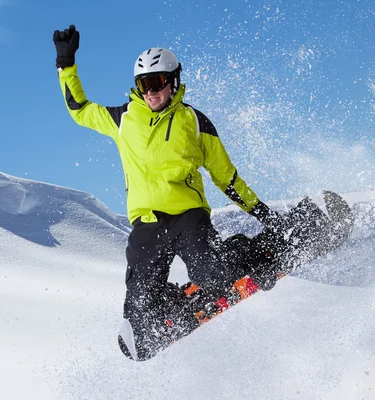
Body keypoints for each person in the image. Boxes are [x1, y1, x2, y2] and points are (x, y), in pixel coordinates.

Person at [53, 25, 281, 361]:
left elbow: (226, 177)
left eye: (157, 82)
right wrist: (65, 62)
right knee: (141, 303)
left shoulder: (195, 122)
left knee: (215, 277)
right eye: (144, 84)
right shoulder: (123, 119)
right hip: (146, 223)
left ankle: (257, 252)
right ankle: (166, 303)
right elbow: (79, 109)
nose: (150, 91)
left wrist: (260, 211)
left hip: (188, 217)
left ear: (173, 81)